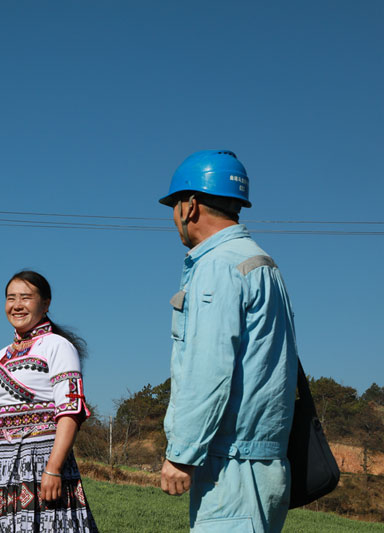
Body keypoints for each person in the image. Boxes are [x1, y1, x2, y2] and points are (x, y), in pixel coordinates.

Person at [158, 150, 298, 532]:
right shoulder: (259, 261)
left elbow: (209, 367)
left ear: (190, 206)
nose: (174, 218)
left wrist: (183, 453)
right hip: (264, 464)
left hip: (232, 467)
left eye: (173, 206)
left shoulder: (217, 266)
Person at [0, 271, 98, 533]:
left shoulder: (57, 346)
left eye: (26, 297)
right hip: (3, 471)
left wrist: (54, 468)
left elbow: (70, 411)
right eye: (11, 298)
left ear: (46, 303)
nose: (17, 305)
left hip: (42, 464)